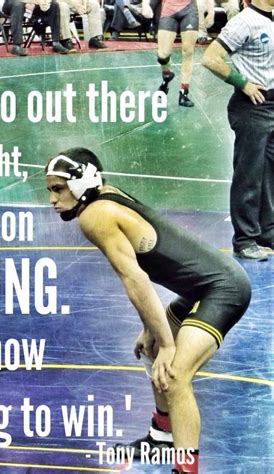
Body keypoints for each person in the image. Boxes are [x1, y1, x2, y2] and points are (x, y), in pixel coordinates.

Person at [45, 148, 252, 474]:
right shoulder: (104, 193)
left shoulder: (94, 216)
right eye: (50, 190)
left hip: (223, 290)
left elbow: (135, 278)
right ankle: (160, 436)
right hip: (203, 287)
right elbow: (137, 278)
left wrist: (169, 344)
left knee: (175, 375)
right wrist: (153, 332)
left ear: (83, 181)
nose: (53, 199)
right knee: (152, 348)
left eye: (58, 189)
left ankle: (186, 470)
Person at [201, 0, 273, 261]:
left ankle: (267, 231)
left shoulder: (271, 19)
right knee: (249, 174)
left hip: (272, 105)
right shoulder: (243, 22)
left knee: (269, 173)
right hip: (253, 105)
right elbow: (210, 58)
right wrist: (243, 83)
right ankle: (244, 240)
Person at [146, 0, 199, 106]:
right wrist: (145, 4)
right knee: (162, 56)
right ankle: (167, 75)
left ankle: (184, 93)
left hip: (189, 9)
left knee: (188, 52)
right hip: (169, 9)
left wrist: (210, 11)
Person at [2, 0, 69, 55]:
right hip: (13, 2)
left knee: (54, 4)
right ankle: (16, 46)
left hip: (33, 2)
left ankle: (56, 42)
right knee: (18, 5)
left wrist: (44, 2)